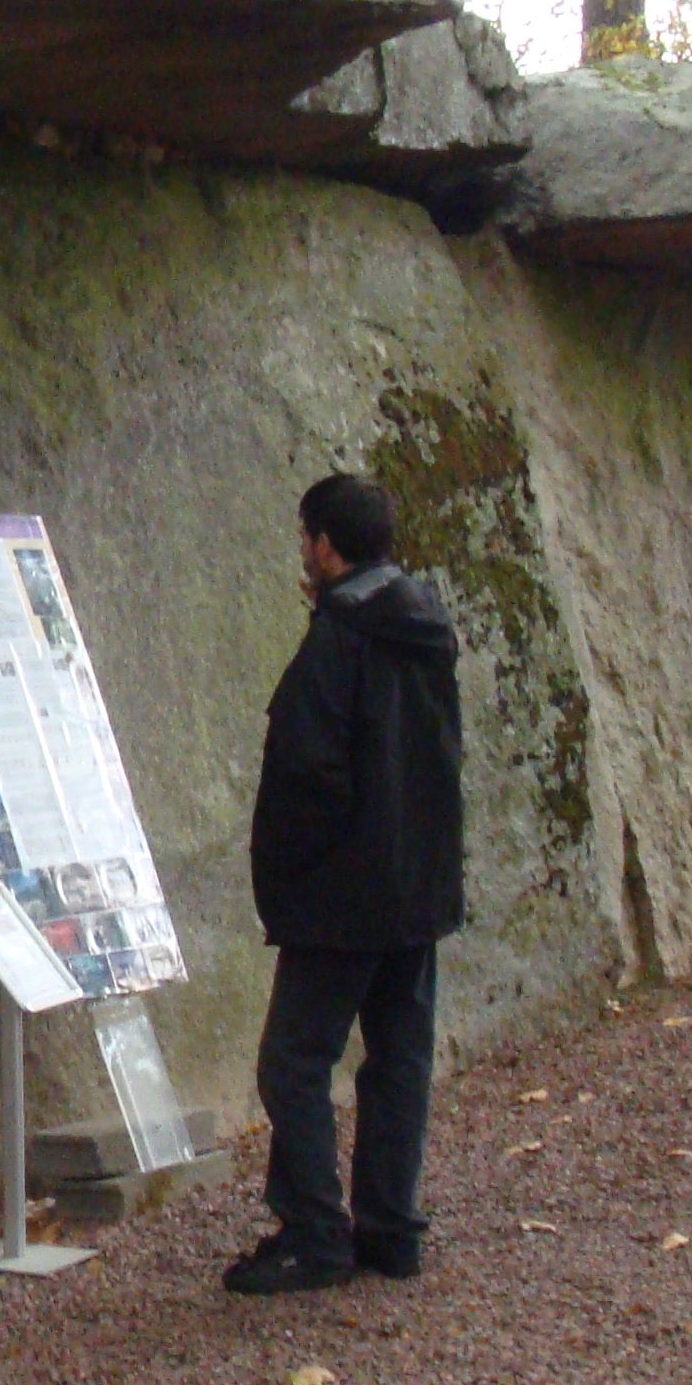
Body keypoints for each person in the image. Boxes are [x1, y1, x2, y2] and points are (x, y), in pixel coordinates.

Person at [225, 473, 464, 1297]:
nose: (303, 553)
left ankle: (314, 1231)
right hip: (418, 888)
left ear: (326, 543)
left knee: (293, 1061)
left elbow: (307, 773)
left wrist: (289, 876)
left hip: (344, 898)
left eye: (306, 539)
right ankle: (391, 1230)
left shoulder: (339, 639)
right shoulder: (426, 631)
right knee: (398, 1059)